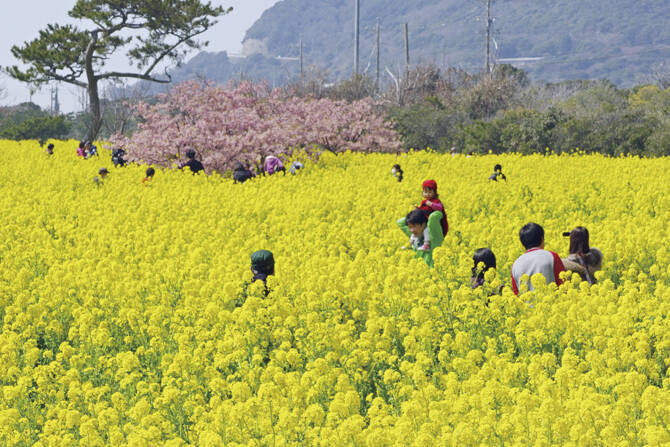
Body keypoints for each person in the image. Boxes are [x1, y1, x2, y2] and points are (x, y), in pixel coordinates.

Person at [511, 222, 566, 295]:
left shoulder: (515, 265)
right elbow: (564, 285)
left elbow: (517, 295)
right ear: (542, 238)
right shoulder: (552, 256)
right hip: (553, 304)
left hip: (526, 306)